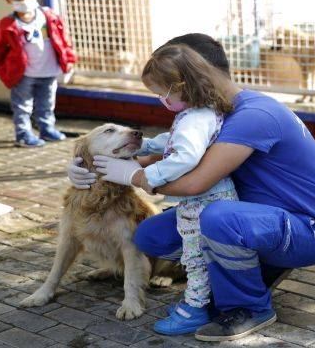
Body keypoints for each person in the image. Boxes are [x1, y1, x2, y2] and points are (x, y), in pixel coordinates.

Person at [69, 34, 315, 342]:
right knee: (150, 235)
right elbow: (167, 151)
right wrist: (89, 166)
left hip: (311, 229)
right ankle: (258, 267)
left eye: (167, 87)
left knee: (216, 218)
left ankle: (250, 307)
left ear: (190, 77)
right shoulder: (217, 111)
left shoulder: (253, 115)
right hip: (262, 216)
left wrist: (135, 177)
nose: (163, 99)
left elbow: (195, 182)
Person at [100, 45, 240, 336]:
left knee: (197, 259)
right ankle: (205, 301)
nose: (160, 100)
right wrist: (148, 145)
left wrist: (142, 175)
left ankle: (195, 309)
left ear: (182, 86)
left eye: (162, 93)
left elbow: (186, 155)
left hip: (202, 203)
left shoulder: (194, 118)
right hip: (207, 201)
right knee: (203, 256)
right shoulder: (199, 111)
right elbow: (175, 139)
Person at [0, 0, 75, 147]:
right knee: (22, 106)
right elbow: (0, 46)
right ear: (8, 0)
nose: (24, 1)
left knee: (47, 103)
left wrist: (69, 58)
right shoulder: (8, 23)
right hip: (23, 74)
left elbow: (63, 39)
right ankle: (23, 134)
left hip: (49, 70)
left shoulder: (49, 16)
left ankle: (47, 129)